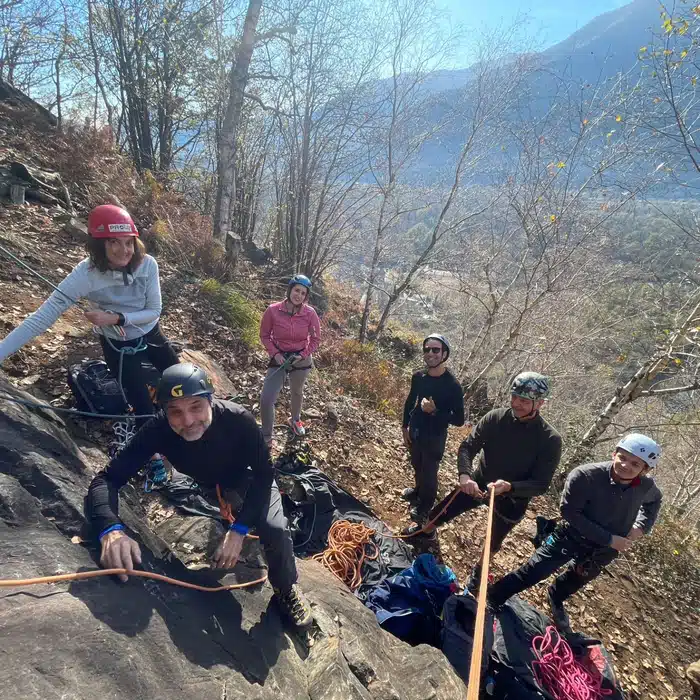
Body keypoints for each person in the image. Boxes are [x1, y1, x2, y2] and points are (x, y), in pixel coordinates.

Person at [86, 362, 313, 629]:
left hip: (247, 476)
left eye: (196, 407)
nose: (189, 421)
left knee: (273, 528)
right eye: (176, 412)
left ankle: (287, 588)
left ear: (210, 399)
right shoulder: (157, 430)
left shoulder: (238, 420)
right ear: (164, 413)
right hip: (207, 481)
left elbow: (265, 474)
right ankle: (229, 516)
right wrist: (110, 530)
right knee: (235, 517)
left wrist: (239, 530)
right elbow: (106, 480)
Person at [0, 204, 178, 480]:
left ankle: (193, 428)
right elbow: (42, 317)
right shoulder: (86, 274)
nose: (124, 250)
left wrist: (115, 318)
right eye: (113, 243)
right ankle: (155, 454)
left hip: (149, 333)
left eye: (128, 242)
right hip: (117, 347)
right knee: (142, 406)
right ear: (98, 245)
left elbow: (154, 311)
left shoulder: (147, 264)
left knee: (178, 379)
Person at [401, 371, 562, 593]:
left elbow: (541, 483)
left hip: (512, 498)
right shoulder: (496, 417)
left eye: (524, 401)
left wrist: (511, 487)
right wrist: (465, 475)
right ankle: (426, 531)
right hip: (479, 480)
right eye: (514, 397)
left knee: (494, 540)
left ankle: (479, 571)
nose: (516, 403)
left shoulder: (549, 439)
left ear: (540, 403)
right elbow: (468, 446)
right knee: (443, 510)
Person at [487, 434, 663, 635]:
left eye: (635, 464)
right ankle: (494, 596)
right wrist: (611, 539)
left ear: (645, 470)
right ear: (614, 453)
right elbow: (570, 513)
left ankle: (556, 596)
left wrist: (639, 528)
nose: (625, 465)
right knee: (534, 571)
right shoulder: (585, 476)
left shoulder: (645, 487)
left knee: (578, 578)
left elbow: (654, 502)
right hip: (572, 536)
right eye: (622, 457)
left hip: (605, 548)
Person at [401, 334, 465, 523]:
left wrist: (436, 411)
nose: (430, 353)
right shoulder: (419, 377)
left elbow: (460, 420)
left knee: (429, 472)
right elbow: (409, 401)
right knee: (416, 464)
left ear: (444, 353)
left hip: (435, 436)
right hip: (416, 430)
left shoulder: (452, 386)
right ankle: (417, 491)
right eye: (427, 349)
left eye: (435, 349)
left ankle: (425, 506)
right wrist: (405, 426)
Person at [259, 274, 321, 445]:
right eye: (296, 290)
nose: (298, 295)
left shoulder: (310, 313)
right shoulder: (273, 310)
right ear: (289, 290)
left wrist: (303, 355)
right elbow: (264, 335)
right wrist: (275, 354)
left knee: (297, 391)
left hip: (300, 358)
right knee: (266, 398)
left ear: (306, 296)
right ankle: (266, 435)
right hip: (279, 357)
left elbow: (315, 339)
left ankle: (295, 419)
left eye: (303, 293)